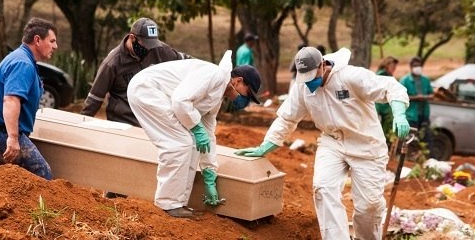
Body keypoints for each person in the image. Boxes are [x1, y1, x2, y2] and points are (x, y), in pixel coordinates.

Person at [236, 46, 410, 239]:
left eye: (313, 75)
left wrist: (399, 113)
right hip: (332, 142)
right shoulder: (303, 87)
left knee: (368, 206)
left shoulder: (350, 76)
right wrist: (265, 146)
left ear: (322, 65)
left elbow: (390, 87)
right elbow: (287, 118)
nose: (310, 83)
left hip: (366, 145)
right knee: (323, 188)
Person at [127, 50, 262, 218]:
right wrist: (196, 128)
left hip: (157, 94)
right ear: (238, 80)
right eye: (248, 93)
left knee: (192, 144)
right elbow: (180, 100)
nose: (245, 100)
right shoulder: (214, 75)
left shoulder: (217, 97)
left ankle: (179, 203)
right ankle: (169, 204)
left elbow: (208, 135)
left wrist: (209, 173)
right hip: (147, 89)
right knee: (179, 143)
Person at [0, 17, 58, 180]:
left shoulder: (20, 58)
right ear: (37, 40)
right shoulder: (22, 63)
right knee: (41, 174)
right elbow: (11, 99)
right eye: (52, 41)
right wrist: (13, 138)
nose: (55, 46)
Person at [81, 17, 191, 127]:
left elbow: (186, 61)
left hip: (152, 120)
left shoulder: (158, 49)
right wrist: (82, 123)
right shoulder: (112, 63)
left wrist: (206, 71)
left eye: (152, 45)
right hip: (124, 123)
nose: (149, 49)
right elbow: (95, 98)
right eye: (146, 45)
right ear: (132, 38)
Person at [399, 56, 435, 158]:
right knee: (410, 141)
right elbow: (401, 97)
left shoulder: (425, 80)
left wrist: (424, 97)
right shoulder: (405, 80)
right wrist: (415, 98)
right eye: (415, 66)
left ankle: (430, 162)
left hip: (423, 115)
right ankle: (407, 160)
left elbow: (431, 95)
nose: (417, 67)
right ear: (411, 67)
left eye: (419, 65)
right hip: (411, 116)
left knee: (427, 140)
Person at [376, 56, 399, 142]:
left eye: (395, 67)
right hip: (381, 106)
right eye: (393, 66)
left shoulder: (389, 75)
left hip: (386, 106)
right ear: (387, 65)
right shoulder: (382, 75)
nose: (394, 69)